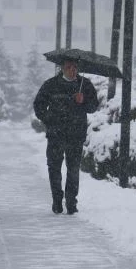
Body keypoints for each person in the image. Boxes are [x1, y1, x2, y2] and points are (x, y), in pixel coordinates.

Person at [33, 58, 99, 215]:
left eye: (75, 67)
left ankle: (71, 202)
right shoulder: (51, 85)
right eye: (69, 67)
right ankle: (57, 200)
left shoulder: (85, 85)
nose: (72, 70)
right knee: (54, 168)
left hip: (76, 134)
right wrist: (50, 119)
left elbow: (93, 106)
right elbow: (39, 105)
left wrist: (83, 101)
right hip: (56, 134)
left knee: (73, 169)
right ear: (62, 68)